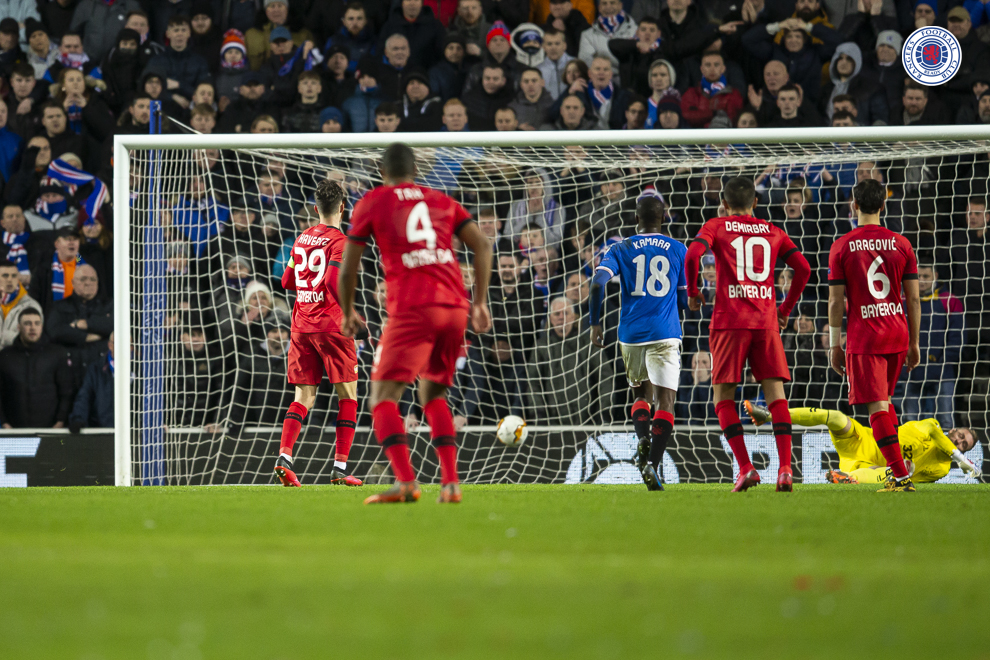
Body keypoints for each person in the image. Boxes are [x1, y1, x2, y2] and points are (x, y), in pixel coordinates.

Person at [338, 142, 493, 504]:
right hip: (455, 307)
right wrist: (481, 302)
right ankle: (451, 485)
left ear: (381, 172)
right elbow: (483, 244)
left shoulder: (373, 201)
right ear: (416, 170)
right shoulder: (441, 200)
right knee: (432, 393)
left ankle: (406, 482)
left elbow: (348, 268)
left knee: (382, 398)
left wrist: (347, 312)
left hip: (413, 306)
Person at [684, 176, 811, 492]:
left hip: (729, 322)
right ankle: (784, 469)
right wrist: (784, 310)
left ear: (724, 204)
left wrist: (694, 292)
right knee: (775, 396)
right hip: (765, 321)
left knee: (723, 398)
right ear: (756, 202)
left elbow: (692, 255)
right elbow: (804, 269)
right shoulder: (773, 231)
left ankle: (745, 468)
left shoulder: (717, 225)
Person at [826, 178, 921, 492]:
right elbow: (914, 299)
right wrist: (915, 341)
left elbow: (836, 301)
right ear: (883, 205)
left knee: (877, 407)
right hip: (897, 333)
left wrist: (834, 344)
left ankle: (901, 476)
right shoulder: (902, 244)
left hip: (864, 337)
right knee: (886, 402)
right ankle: (899, 467)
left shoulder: (842, 245)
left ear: (854, 205)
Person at [589, 193, 687, 490]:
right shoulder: (679, 248)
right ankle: (652, 466)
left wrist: (595, 322)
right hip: (665, 331)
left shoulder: (621, 247)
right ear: (664, 217)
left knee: (641, 396)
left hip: (630, 335)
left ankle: (642, 436)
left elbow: (597, 283)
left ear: (635, 218)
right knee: (666, 401)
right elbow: (682, 298)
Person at [274, 180, 363, 488]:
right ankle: (339, 468)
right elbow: (333, 279)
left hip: (301, 326)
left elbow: (286, 281)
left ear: (315, 209)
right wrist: (352, 315)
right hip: (331, 325)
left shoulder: (301, 238)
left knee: (303, 396)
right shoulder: (341, 241)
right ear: (343, 207)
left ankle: (285, 458)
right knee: (348, 395)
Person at [745, 403, 980, 484]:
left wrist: (902, 473)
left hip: (864, 467)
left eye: (963, 445)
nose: (958, 441)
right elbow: (933, 432)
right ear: (952, 430)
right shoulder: (932, 427)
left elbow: (904, 478)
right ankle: (770, 415)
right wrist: (961, 459)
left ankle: (849, 479)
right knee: (836, 417)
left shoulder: (940, 469)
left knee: (899, 472)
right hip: (861, 438)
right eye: (960, 435)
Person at [0, 308, 74, 428]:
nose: (32, 327)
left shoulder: (57, 354)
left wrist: (60, 421)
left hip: (51, 430)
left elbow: (66, 391)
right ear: (18, 327)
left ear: (42, 326)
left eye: (37, 323)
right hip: (14, 431)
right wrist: (4, 423)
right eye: (27, 323)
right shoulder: (5, 356)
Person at [68, 331, 114, 431]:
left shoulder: (140, 369)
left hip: (132, 432)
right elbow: (84, 396)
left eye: (128, 344)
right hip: (101, 431)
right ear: (110, 345)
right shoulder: (96, 369)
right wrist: (78, 419)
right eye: (118, 343)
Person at [0, 258, 42, 349]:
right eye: (5, 275)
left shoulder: (31, 306)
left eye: (14, 276)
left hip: (15, 360)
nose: (10, 279)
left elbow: (31, 339)